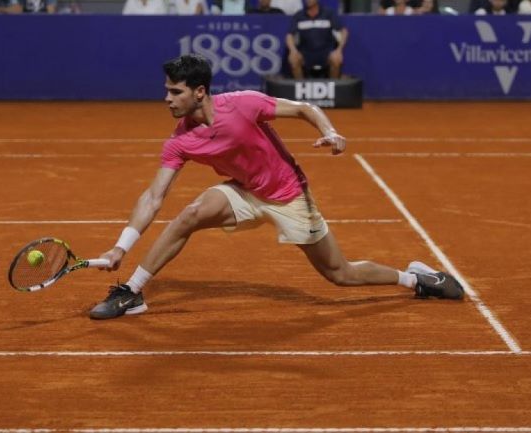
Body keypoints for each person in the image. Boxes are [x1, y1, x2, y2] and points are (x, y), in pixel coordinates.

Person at [89, 54, 464, 320]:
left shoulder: (245, 104)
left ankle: (418, 279)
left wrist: (330, 132)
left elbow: (303, 108)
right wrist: (122, 245)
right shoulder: (180, 140)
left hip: (287, 194)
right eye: (167, 90)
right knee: (190, 215)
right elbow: (154, 196)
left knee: (339, 274)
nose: (166, 98)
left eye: (174, 92)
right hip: (245, 191)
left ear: (199, 92)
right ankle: (132, 292)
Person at [285, 0, 348, 79]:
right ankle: (301, 87)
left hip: (325, 53)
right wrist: (293, 51)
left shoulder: (328, 13)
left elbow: (344, 31)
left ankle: (333, 87)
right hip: (305, 54)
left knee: (336, 59)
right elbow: (289, 35)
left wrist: (339, 50)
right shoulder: (299, 15)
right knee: (293, 59)